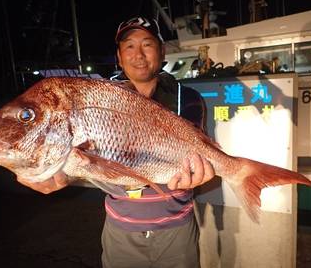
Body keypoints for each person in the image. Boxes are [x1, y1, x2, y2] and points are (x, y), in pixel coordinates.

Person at [17, 16, 215, 268]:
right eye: (129, 46)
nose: (138, 54)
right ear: (119, 57)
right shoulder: (100, 97)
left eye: (147, 44)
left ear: (162, 51)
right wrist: (60, 174)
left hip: (176, 229)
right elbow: (88, 161)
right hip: (121, 230)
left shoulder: (188, 98)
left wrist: (199, 173)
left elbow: (196, 155)